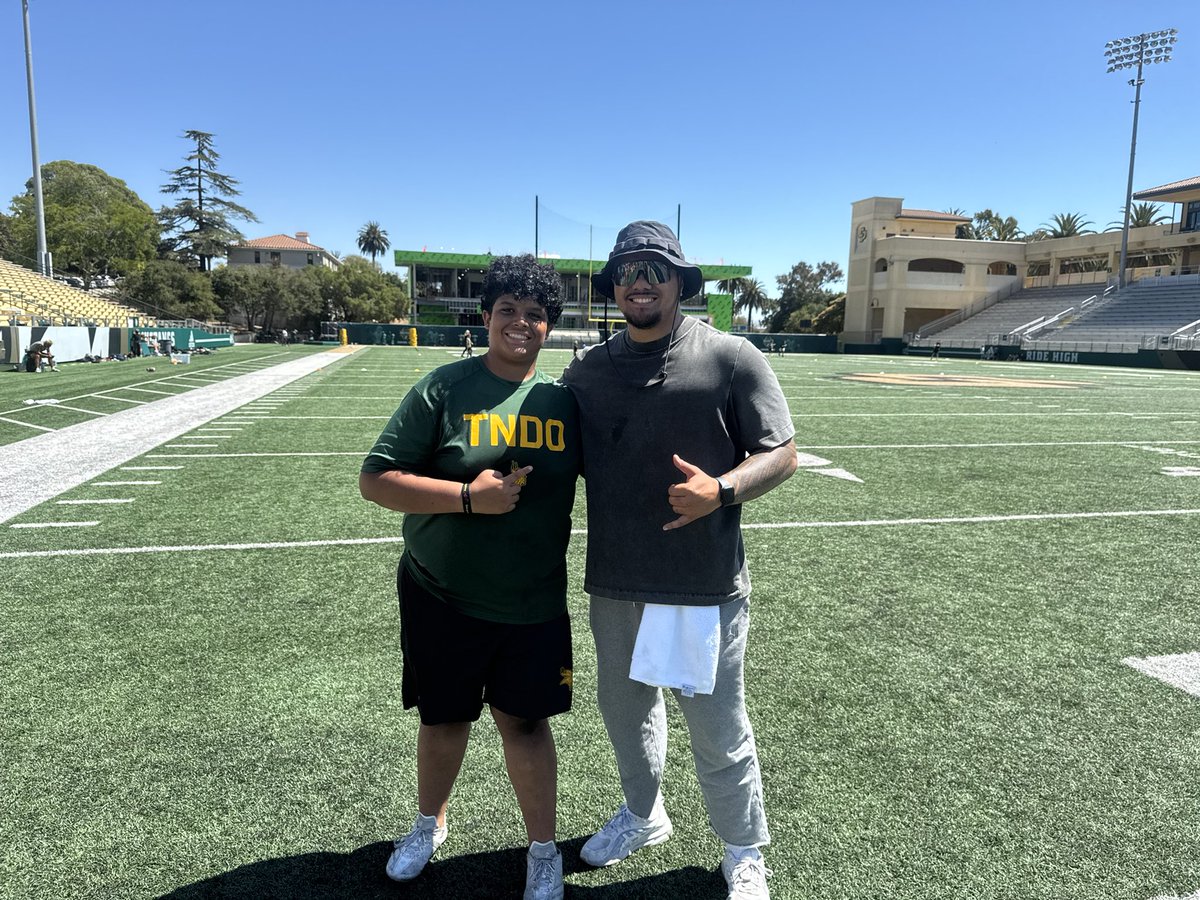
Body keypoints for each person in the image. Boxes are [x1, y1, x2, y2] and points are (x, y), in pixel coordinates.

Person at [562, 221, 797, 900]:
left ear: (678, 281)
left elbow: (782, 453)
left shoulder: (730, 357)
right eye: (628, 270)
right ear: (614, 285)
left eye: (654, 268)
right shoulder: (586, 370)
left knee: (717, 730)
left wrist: (720, 491)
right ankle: (643, 815)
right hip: (615, 582)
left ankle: (744, 850)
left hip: (700, 587)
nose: (640, 281)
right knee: (625, 714)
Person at [360, 254, 580, 900]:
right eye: (507, 310)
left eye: (535, 314)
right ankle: (429, 823)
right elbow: (375, 479)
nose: (521, 323)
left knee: (526, 723)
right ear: (485, 318)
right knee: (444, 719)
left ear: (549, 328)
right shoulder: (443, 388)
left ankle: (543, 850)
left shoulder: (563, 404)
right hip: (442, 594)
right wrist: (465, 497)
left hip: (533, 601)